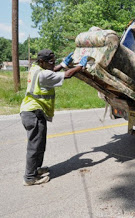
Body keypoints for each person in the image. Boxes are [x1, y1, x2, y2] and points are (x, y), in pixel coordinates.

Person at [20, 49, 88, 186]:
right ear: (42, 62)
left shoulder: (36, 68)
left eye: (54, 60)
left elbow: (52, 71)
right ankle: (29, 178)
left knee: (40, 144)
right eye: (51, 61)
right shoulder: (43, 74)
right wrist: (80, 66)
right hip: (33, 112)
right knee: (34, 146)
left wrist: (62, 64)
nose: (53, 64)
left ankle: (36, 169)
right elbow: (67, 75)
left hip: (35, 111)